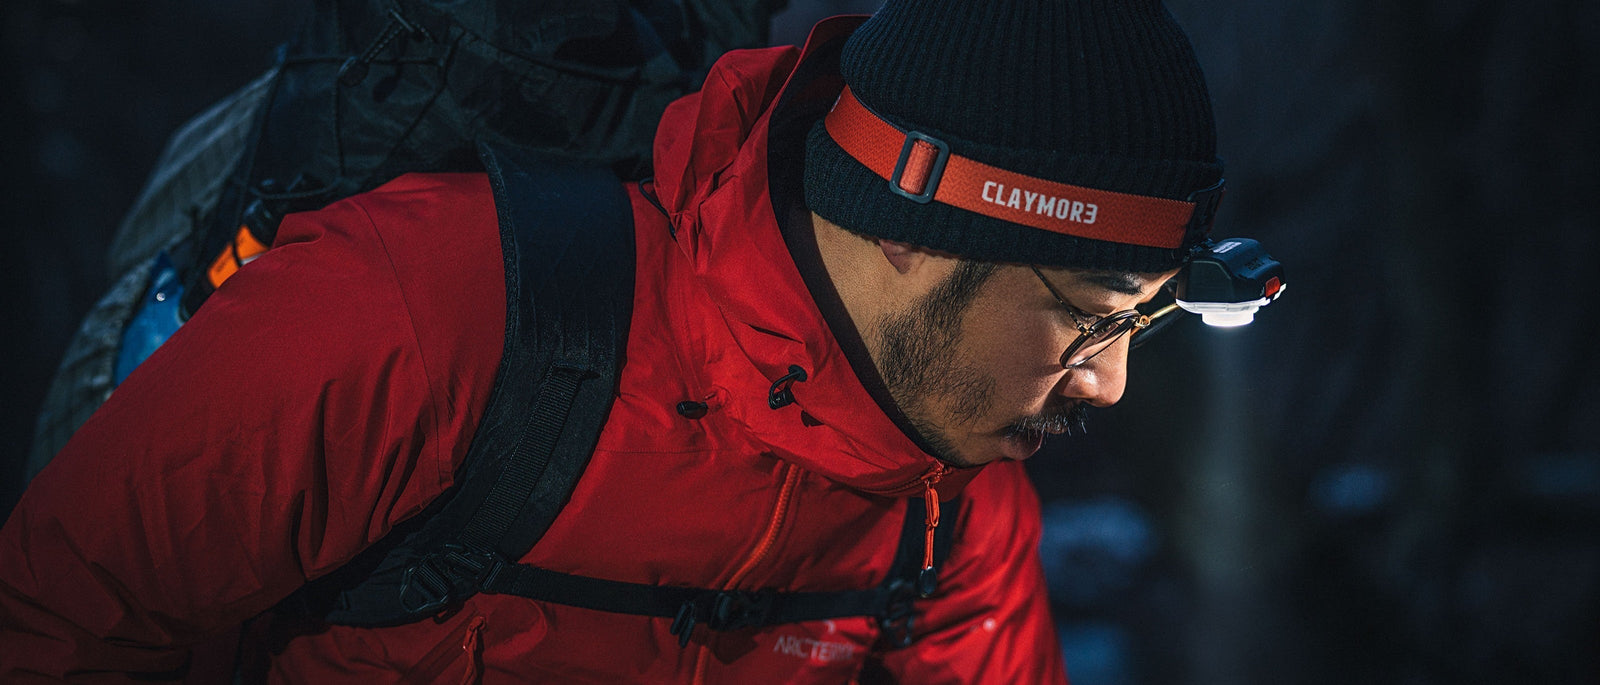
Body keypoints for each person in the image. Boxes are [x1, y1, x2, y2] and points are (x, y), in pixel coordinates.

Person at [0, 0, 1231, 681]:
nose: (1111, 380)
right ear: (908, 226)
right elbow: (55, 630)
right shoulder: (430, 310)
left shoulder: (954, 513)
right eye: (1091, 312)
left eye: (1148, 319)